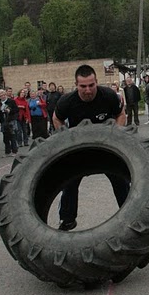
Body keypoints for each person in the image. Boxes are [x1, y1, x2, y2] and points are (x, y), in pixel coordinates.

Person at [53, 65, 128, 231]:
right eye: (83, 86)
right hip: (80, 150)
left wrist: (117, 133)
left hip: (106, 147)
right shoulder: (67, 101)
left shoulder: (108, 95)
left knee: (121, 180)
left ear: (96, 82)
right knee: (69, 182)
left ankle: (130, 215)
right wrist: (65, 137)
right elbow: (56, 118)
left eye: (91, 85)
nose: (88, 90)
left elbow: (121, 114)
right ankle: (67, 220)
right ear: (76, 85)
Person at [0, 89, 18, 156]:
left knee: (12, 136)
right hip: (3, 121)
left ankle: (14, 151)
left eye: (4, 95)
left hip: (11, 120)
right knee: (5, 137)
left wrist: (9, 110)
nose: (3, 96)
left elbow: (16, 110)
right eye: (1, 95)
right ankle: (7, 152)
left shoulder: (11, 101)